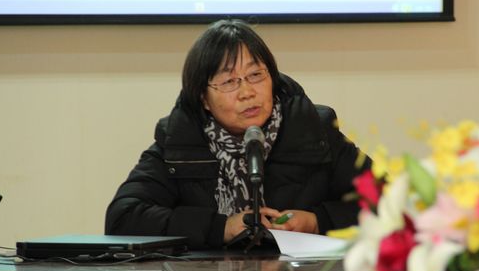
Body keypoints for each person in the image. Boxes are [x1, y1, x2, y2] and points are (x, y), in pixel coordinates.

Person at [105, 19, 371, 250]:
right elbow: (123, 217)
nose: (247, 92)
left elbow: (388, 202)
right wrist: (220, 228)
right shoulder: (182, 138)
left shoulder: (312, 129)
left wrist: (317, 221)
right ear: (203, 98)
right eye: (229, 82)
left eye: (256, 75)